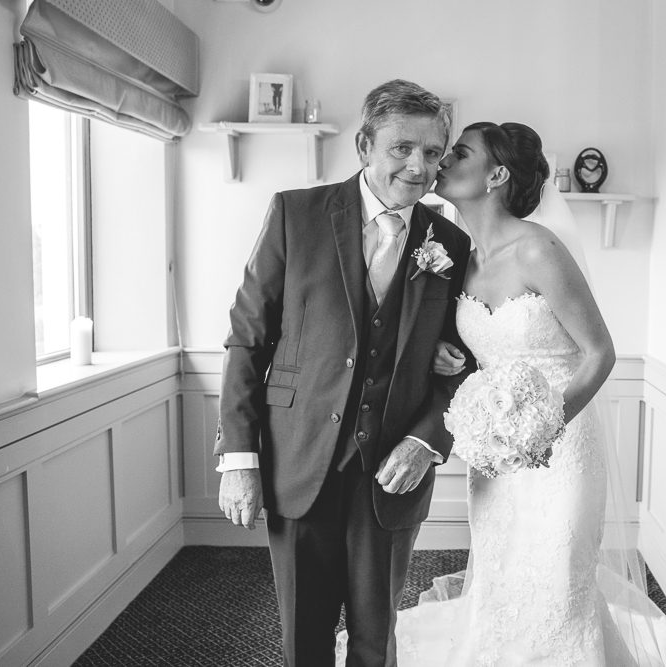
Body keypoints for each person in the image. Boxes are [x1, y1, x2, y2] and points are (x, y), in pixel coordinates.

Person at [368, 122, 666, 665]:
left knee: (557, 582)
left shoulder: (538, 249)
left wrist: (543, 429)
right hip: (495, 452)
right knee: (501, 577)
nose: (442, 161)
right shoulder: (459, 255)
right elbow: (474, 347)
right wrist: (449, 355)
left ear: (495, 175)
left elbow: (599, 353)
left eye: (460, 152)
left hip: (561, 450)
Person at [213, 79, 472, 666]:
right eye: (402, 148)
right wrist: (239, 460)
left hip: (392, 470)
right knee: (304, 637)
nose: (419, 166)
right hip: (299, 456)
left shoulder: (452, 244)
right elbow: (248, 340)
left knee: (375, 639)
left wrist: (425, 441)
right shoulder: (295, 214)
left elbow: (464, 360)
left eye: (433, 152)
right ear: (363, 146)